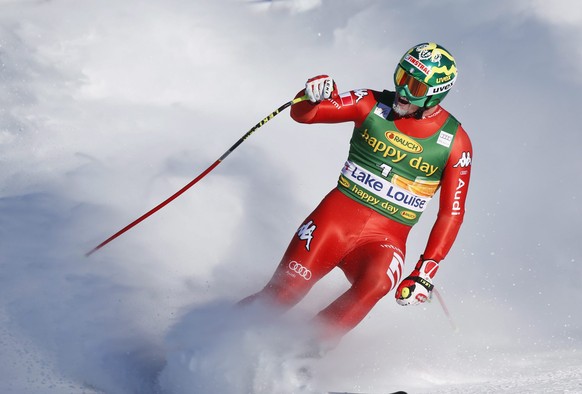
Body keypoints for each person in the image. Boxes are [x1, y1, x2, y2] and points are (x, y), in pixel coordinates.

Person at [240, 42, 472, 345]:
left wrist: (424, 273)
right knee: (281, 295)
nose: (402, 90)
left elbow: (451, 213)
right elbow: (304, 115)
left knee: (376, 283)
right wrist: (312, 96)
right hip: (334, 223)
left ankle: (299, 356)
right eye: (401, 76)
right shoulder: (371, 102)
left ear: (436, 93)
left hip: (384, 241)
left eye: (413, 85)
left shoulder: (455, 142)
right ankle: (211, 338)